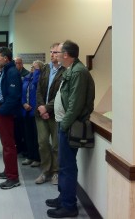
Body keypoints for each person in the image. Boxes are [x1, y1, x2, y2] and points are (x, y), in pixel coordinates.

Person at [46, 41, 95, 218]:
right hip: (64, 123)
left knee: (67, 166)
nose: (55, 55)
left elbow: (75, 105)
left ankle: (69, 205)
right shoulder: (71, 70)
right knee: (63, 164)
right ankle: (63, 197)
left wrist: (64, 126)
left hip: (69, 126)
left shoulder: (79, 72)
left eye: (57, 52)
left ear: (65, 55)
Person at [0, 47, 22, 190]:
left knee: (9, 144)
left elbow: (14, 95)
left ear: (6, 58)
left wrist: (3, 110)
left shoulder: (12, 72)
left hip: (5, 111)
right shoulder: (3, 71)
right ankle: (8, 171)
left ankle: (13, 177)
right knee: (5, 143)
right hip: (1, 108)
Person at [35, 44, 66, 185]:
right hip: (41, 113)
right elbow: (39, 90)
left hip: (56, 113)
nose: (52, 54)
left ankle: (56, 172)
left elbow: (62, 94)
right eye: (51, 52)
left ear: (62, 53)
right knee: (42, 143)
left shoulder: (66, 71)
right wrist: (42, 108)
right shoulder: (45, 68)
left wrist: (47, 108)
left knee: (55, 145)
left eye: (55, 52)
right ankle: (45, 170)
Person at [21, 60, 44, 168]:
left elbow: (36, 86)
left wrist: (37, 72)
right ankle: (30, 156)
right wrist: (24, 103)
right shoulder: (27, 78)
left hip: (35, 111)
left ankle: (37, 158)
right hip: (26, 111)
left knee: (36, 137)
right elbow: (22, 92)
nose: (32, 69)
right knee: (27, 135)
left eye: (35, 68)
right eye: (32, 67)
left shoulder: (39, 78)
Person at [13, 56, 29, 156]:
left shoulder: (27, 74)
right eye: (16, 63)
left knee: (24, 129)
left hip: (23, 105)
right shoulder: (13, 73)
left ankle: (24, 149)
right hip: (15, 105)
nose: (17, 65)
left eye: (19, 63)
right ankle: (18, 147)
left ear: (22, 64)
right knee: (16, 129)